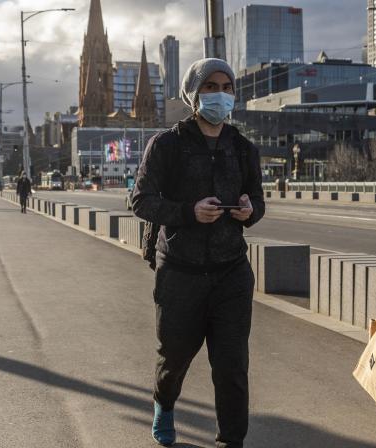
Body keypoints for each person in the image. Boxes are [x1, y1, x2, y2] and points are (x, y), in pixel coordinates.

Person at [131, 58, 265, 448]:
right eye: (210, 87)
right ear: (193, 95)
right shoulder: (167, 145)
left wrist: (249, 210)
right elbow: (140, 201)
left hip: (231, 273)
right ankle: (164, 402)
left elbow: (257, 199)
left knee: (232, 367)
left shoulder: (243, 148)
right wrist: (189, 212)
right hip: (180, 272)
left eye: (227, 87)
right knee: (173, 358)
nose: (220, 94)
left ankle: (231, 441)